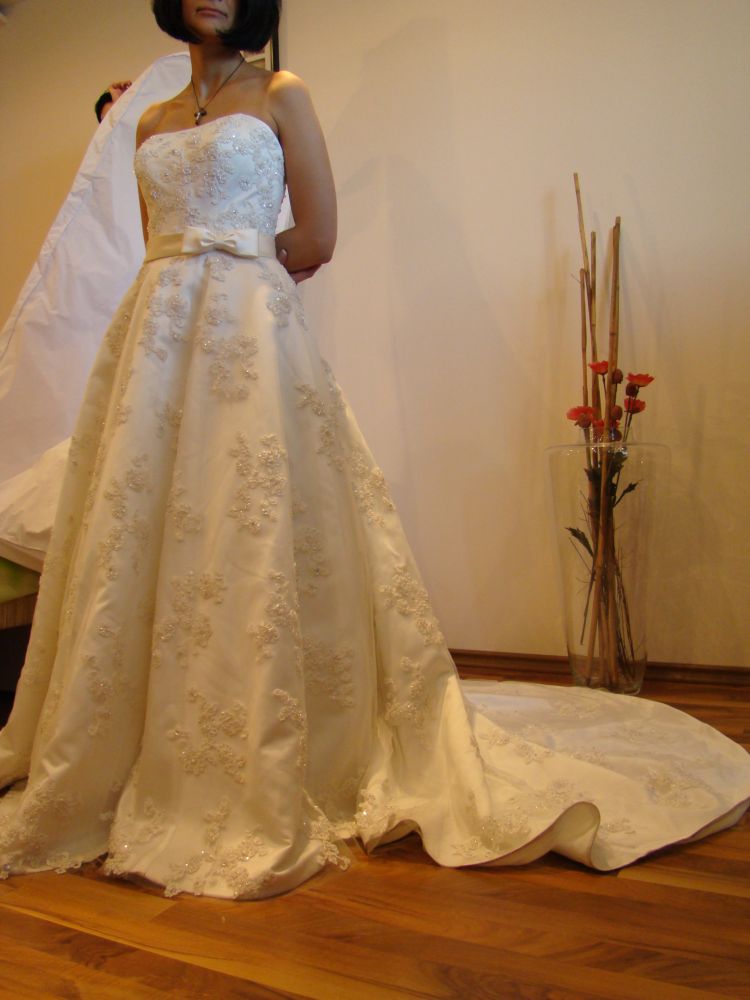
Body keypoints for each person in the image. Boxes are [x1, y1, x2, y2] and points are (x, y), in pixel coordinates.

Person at [1, 0, 748, 900]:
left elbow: (317, 235)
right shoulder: (149, 120)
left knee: (249, 523)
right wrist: (192, 269)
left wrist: (235, 260)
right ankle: (133, 748)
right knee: (152, 531)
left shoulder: (282, 92)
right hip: (154, 343)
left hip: (245, 331)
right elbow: (154, 234)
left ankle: (261, 752)